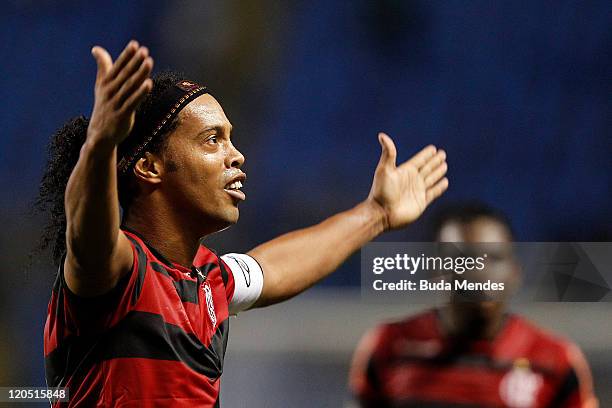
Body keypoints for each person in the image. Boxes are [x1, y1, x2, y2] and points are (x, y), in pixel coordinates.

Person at [38, 40, 449, 407]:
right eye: (212, 140)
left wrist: (375, 213)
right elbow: (88, 229)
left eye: (231, 139)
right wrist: (101, 146)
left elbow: (278, 266)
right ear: (149, 166)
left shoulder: (209, 279)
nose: (236, 156)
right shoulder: (116, 274)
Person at [349, 203, 598, 407]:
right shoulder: (390, 346)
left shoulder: (555, 360)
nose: (480, 273)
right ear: (436, 271)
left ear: (515, 272)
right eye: (463, 259)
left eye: (495, 258)